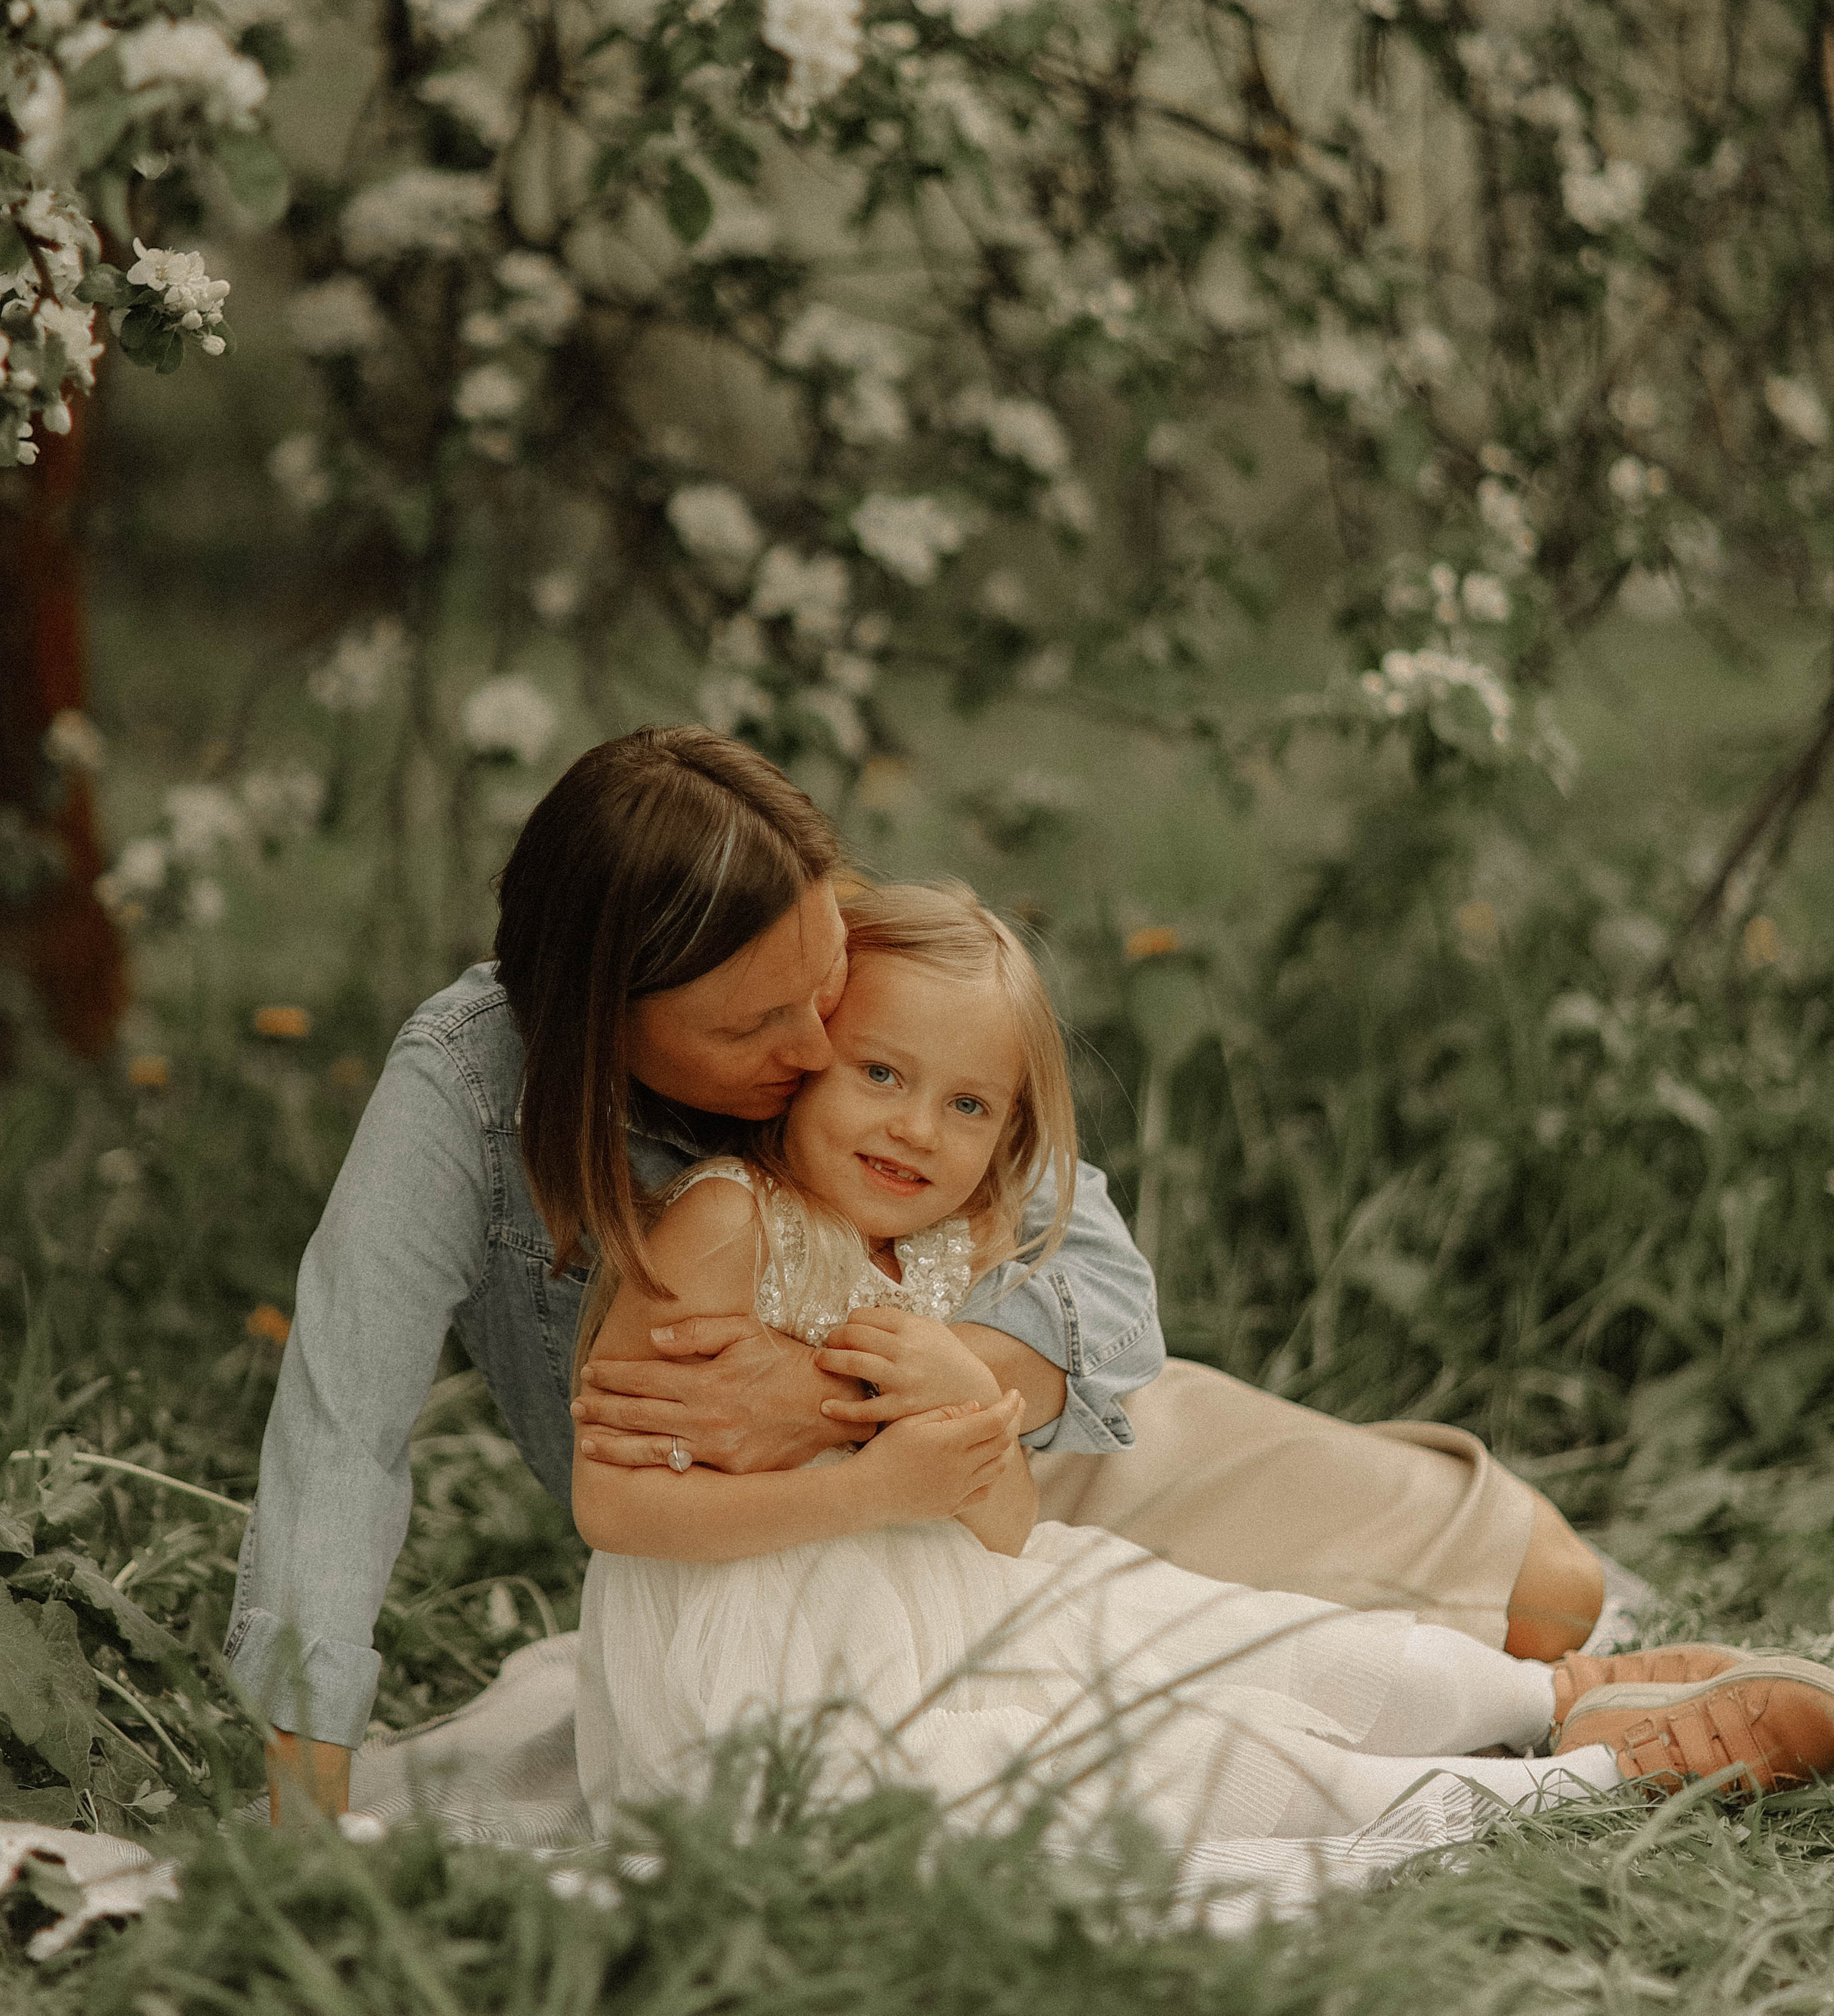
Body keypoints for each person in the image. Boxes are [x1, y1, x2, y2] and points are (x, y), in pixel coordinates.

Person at [234, 725, 1602, 1823]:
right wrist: (304, 1810)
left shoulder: (805, 932)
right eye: (759, 1025)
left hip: (1027, 1447)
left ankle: (1488, 1679)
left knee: (1551, 1593)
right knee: (1164, 1741)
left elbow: (1102, 1270)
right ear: (606, 1018)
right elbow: (342, 1429)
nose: (821, 1036)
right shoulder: (468, 1093)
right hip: (797, 1561)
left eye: (825, 980)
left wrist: (850, 1396)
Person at [572, 881, 1834, 1843]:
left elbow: (1005, 1529)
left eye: (967, 1107)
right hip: (762, 1683)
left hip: (938, 1591)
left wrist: (966, 1409)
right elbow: (612, 1502)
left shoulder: (936, 1256)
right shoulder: (730, 1220)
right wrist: (863, 1491)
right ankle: (1585, 1777)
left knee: (1206, 1630)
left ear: (1011, 1132)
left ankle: (1544, 1691)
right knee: (1148, 1752)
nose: (915, 1125)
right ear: (799, 1060)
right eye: (880, 1074)